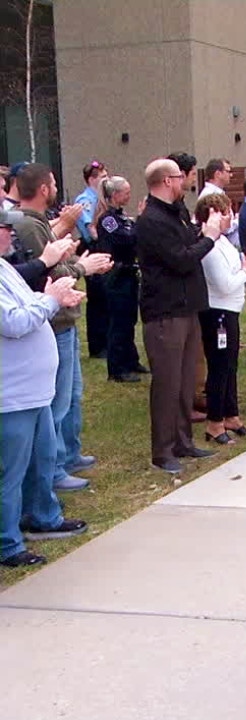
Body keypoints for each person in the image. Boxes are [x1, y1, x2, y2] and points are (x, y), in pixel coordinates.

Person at [13, 164, 113, 490]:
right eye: (53, 183)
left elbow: (59, 261)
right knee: (55, 401)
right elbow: (50, 271)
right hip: (52, 322)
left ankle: (69, 452)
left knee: (72, 395)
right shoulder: (28, 225)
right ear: (43, 189)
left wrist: (72, 260)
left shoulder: (38, 223)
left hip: (62, 320)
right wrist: (83, 265)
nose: (56, 188)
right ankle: (53, 469)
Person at [0, 211, 89, 568]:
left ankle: (42, 516)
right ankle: (8, 543)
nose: (11, 235)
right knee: (11, 471)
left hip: (34, 389)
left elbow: (29, 306)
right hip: (12, 393)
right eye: (5, 229)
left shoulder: (6, 268)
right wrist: (50, 299)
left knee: (42, 457)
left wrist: (54, 298)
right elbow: (15, 321)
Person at [135, 158, 219, 474]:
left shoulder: (178, 213)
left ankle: (183, 440)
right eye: (180, 177)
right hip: (165, 312)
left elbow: (188, 245)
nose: (184, 181)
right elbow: (181, 260)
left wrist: (205, 234)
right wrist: (209, 238)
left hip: (187, 306)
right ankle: (163, 450)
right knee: (168, 383)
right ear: (167, 180)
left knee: (186, 381)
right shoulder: (152, 221)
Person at [197, 193, 246, 445]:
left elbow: (235, 271)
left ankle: (231, 414)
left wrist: (245, 266)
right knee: (219, 367)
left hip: (231, 310)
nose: (231, 217)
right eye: (226, 213)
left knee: (231, 366)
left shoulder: (224, 242)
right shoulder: (210, 247)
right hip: (217, 312)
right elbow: (225, 284)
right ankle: (214, 421)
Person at [95, 175, 149, 383]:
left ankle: (130, 360)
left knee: (129, 319)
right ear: (115, 195)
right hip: (116, 275)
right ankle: (117, 368)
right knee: (119, 322)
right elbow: (126, 239)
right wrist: (140, 220)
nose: (129, 195)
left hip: (128, 273)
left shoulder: (121, 217)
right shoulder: (108, 219)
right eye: (125, 192)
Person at [76, 160, 110, 358]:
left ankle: (105, 340)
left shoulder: (100, 198)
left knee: (105, 297)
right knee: (97, 297)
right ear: (92, 179)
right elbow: (90, 227)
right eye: (102, 177)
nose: (106, 180)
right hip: (92, 246)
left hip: (102, 245)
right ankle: (97, 345)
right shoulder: (85, 199)